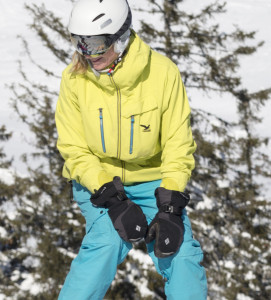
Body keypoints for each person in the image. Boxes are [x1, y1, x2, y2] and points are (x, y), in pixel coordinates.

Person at [54, 0, 208, 298]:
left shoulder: (163, 74)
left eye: (96, 44)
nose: (87, 53)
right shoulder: (74, 79)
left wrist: (170, 205)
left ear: (121, 37)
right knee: (106, 243)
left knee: (180, 252)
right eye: (79, 42)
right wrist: (110, 197)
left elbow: (178, 142)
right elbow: (74, 148)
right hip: (98, 181)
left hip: (154, 181)